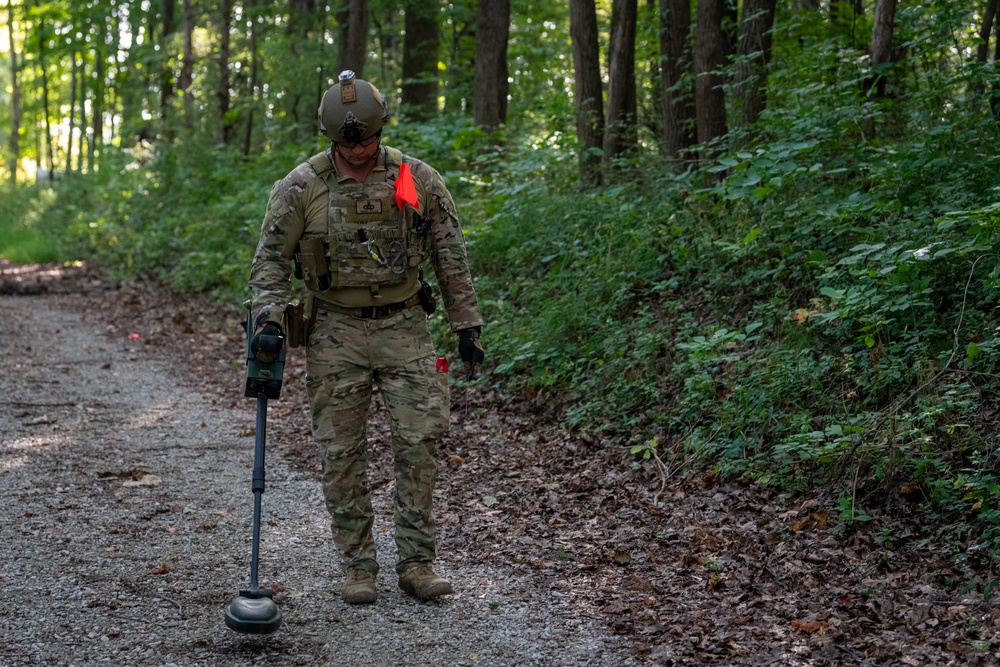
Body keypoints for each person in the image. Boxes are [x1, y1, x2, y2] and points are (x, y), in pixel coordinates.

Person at [248, 70, 485, 604]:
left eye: (368, 141)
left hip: (407, 326)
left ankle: (417, 562)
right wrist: (268, 317)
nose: (358, 153)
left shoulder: (415, 178)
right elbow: (268, 263)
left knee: (420, 441)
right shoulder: (301, 187)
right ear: (331, 139)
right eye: (345, 144)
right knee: (340, 453)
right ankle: (358, 567)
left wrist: (466, 325)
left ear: (382, 130)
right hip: (335, 331)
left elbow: (451, 255)